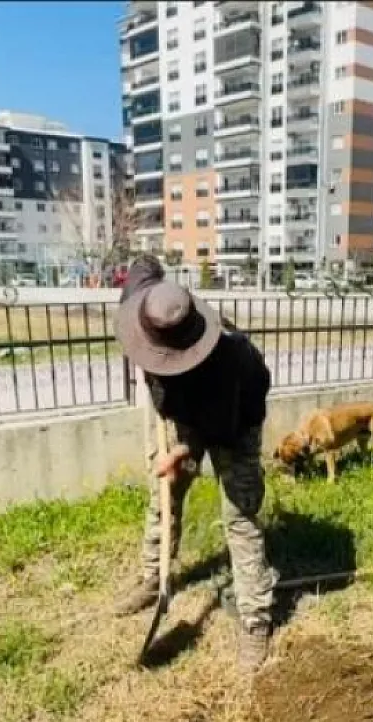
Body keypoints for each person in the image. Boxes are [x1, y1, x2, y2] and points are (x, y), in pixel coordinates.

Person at [111, 255, 279, 669]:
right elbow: (142, 270)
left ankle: (256, 618)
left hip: (233, 418)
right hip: (186, 412)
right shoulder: (149, 308)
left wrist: (181, 452)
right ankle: (155, 577)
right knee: (164, 493)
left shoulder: (229, 363)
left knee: (239, 516)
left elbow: (218, 426)